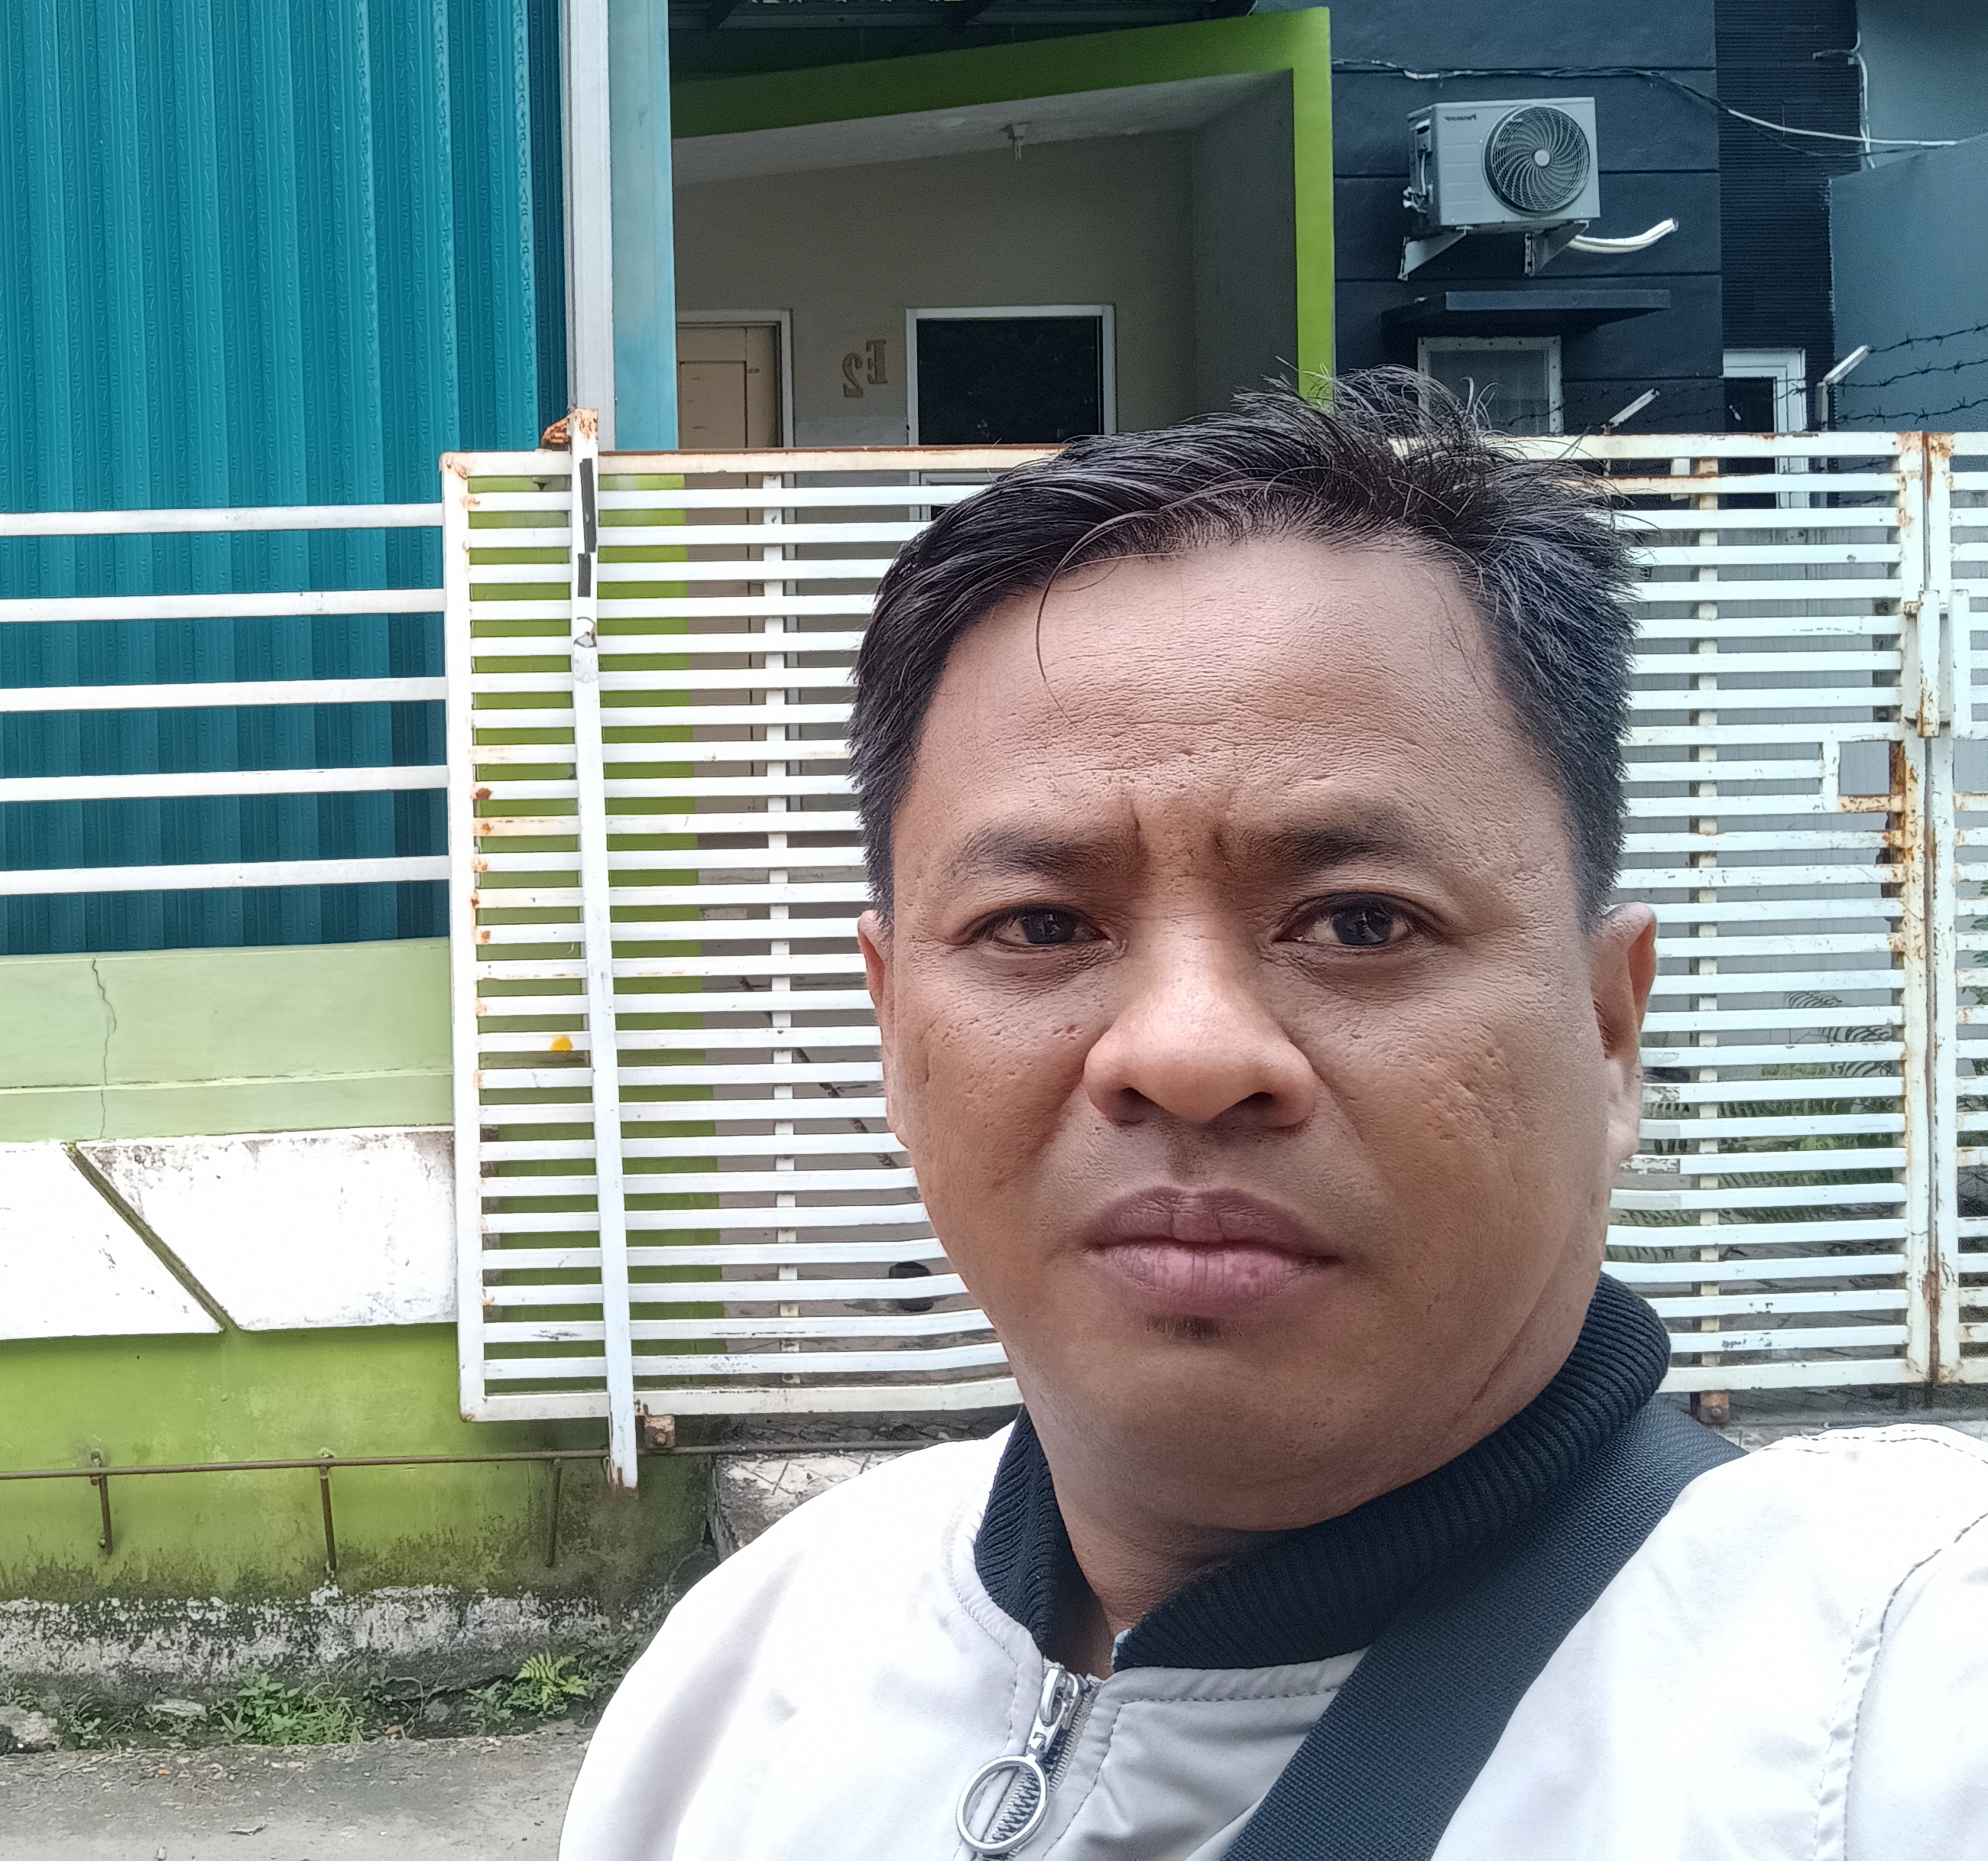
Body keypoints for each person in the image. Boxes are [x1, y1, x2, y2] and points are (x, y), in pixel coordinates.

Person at [562, 373, 1988, 1861]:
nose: (1185, 1055)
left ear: (1608, 1029)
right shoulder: (749, 1681)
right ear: (892, 1025)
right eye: (1040, 926)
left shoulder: (1884, 1717)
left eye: (1361, 921)